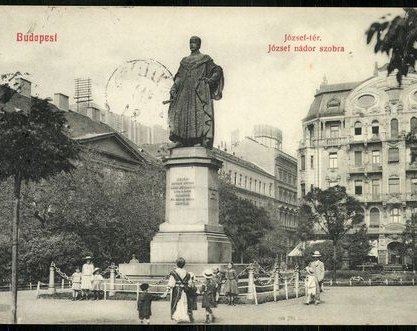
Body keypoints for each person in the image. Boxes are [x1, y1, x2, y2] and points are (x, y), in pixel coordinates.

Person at [168, 36, 224, 149]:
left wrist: (210, 80)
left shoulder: (205, 59)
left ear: (199, 44)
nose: (192, 44)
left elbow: (217, 70)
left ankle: (198, 139)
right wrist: (174, 87)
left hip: (198, 91)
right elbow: (179, 76)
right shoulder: (184, 61)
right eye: (190, 42)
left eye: (194, 42)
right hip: (184, 92)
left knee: (198, 115)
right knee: (181, 114)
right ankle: (181, 140)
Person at [167, 257, 192, 323]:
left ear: (177, 264)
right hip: (184, 290)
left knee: (176, 302)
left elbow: (171, 283)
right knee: (184, 302)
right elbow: (190, 283)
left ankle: (177, 316)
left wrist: (169, 287)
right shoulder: (187, 273)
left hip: (177, 289)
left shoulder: (174, 272)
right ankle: (184, 316)